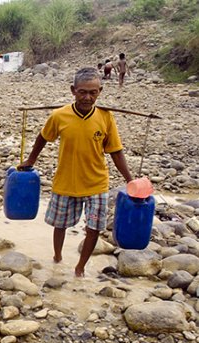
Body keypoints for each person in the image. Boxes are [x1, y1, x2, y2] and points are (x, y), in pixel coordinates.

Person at [18, 67, 133, 277]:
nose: (87, 97)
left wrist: (130, 180)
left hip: (96, 182)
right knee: (59, 225)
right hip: (66, 181)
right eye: (82, 92)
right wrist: (31, 159)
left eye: (93, 92)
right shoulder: (59, 116)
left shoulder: (106, 117)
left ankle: (80, 268)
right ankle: (57, 257)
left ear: (100, 91)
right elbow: (43, 137)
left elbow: (115, 151)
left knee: (93, 228)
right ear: (73, 90)